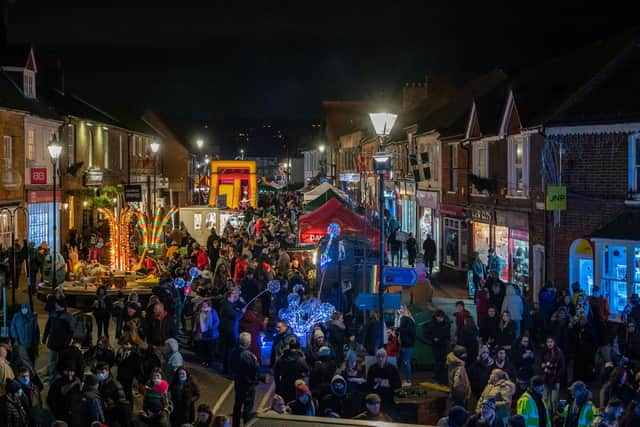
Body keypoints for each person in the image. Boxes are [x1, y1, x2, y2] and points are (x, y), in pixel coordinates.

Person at [231, 332, 259, 427]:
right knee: (248, 408)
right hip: (248, 384)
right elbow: (255, 368)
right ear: (247, 342)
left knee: (237, 406)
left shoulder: (234, 352)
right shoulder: (248, 355)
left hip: (238, 382)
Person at [43, 299, 76, 380]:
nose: (55, 305)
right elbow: (48, 326)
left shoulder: (68, 317)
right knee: (52, 361)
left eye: (57, 304)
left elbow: (72, 331)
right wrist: (45, 337)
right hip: (53, 343)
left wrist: (67, 342)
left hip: (62, 344)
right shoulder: (53, 314)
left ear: (61, 306)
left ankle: (60, 376)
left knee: (61, 361)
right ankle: (52, 376)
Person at [273, 338, 309, 403]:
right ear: (298, 348)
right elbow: (307, 371)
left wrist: (278, 387)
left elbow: (276, 374)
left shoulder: (281, 359)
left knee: (284, 407)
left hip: (284, 387)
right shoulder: (300, 360)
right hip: (296, 388)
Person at [219, 289, 246, 374]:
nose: (235, 297)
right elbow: (236, 316)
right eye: (234, 295)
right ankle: (227, 369)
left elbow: (238, 305)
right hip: (229, 331)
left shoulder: (230, 304)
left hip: (231, 330)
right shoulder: (226, 305)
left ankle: (228, 367)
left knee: (229, 350)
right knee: (229, 351)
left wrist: (242, 302)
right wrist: (242, 312)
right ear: (229, 296)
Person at [95, 362, 129, 427]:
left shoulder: (115, 384)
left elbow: (122, 404)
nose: (99, 375)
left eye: (102, 372)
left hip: (112, 417)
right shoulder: (99, 383)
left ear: (107, 372)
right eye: (98, 373)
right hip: (102, 414)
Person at [424, 310, 452, 384]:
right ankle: (438, 378)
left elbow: (448, 335)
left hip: (444, 346)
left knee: (444, 363)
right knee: (438, 363)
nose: (440, 319)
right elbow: (426, 335)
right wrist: (433, 338)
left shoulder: (446, 324)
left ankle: (443, 379)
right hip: (436, 346)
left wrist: (447, 340)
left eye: (441, 317)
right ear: (436, 317)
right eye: (439, 317)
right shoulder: (431, 324)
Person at [115, 337, 143, 405]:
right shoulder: (121, 352)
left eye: (125, 344)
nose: (123, 346)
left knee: (129, 395)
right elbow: (116, 362)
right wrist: (119, 356)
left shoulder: (135, 355)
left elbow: (137, 368)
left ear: (130, 344)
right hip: (121, 377)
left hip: (129, 379)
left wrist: (135, 378)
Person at [541, 336, 565, 414]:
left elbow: (562, 366)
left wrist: (557, 376)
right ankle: (547, 414)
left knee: (554, 400)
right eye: (548, 342)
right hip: (546, 378)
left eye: (551, 342)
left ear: (554, 343)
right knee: (545, 398)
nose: (549, 344)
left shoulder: (558, 352)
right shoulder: (545, 352)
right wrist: (544, 366)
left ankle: (555, 415)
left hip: (555, 379)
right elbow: (541, 364)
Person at [193, 300, 220, 368]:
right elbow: (196, 321)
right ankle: (204, 360)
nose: (204, 305)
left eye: (205, 304)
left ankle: (210, 362)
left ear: (208, 305)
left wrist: (212, 328)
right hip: (202, 333)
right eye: (203, 304)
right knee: (203, 348)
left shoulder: (212, 311)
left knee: (210, 349)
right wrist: (195, 328)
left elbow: (217, 321)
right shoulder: (199, 312)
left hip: (211, 333)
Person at [396, 304, 416, 386]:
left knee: (406, 362)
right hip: (403, 343)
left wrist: (399, 329)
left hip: (406, 344)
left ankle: (408, 380)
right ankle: (406, 379)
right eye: (398, 308)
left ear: (405, 310)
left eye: (401, 308)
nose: (399, 310)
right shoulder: (402, 318)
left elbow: (411, 332)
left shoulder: (407, 319)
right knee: (404, 362)